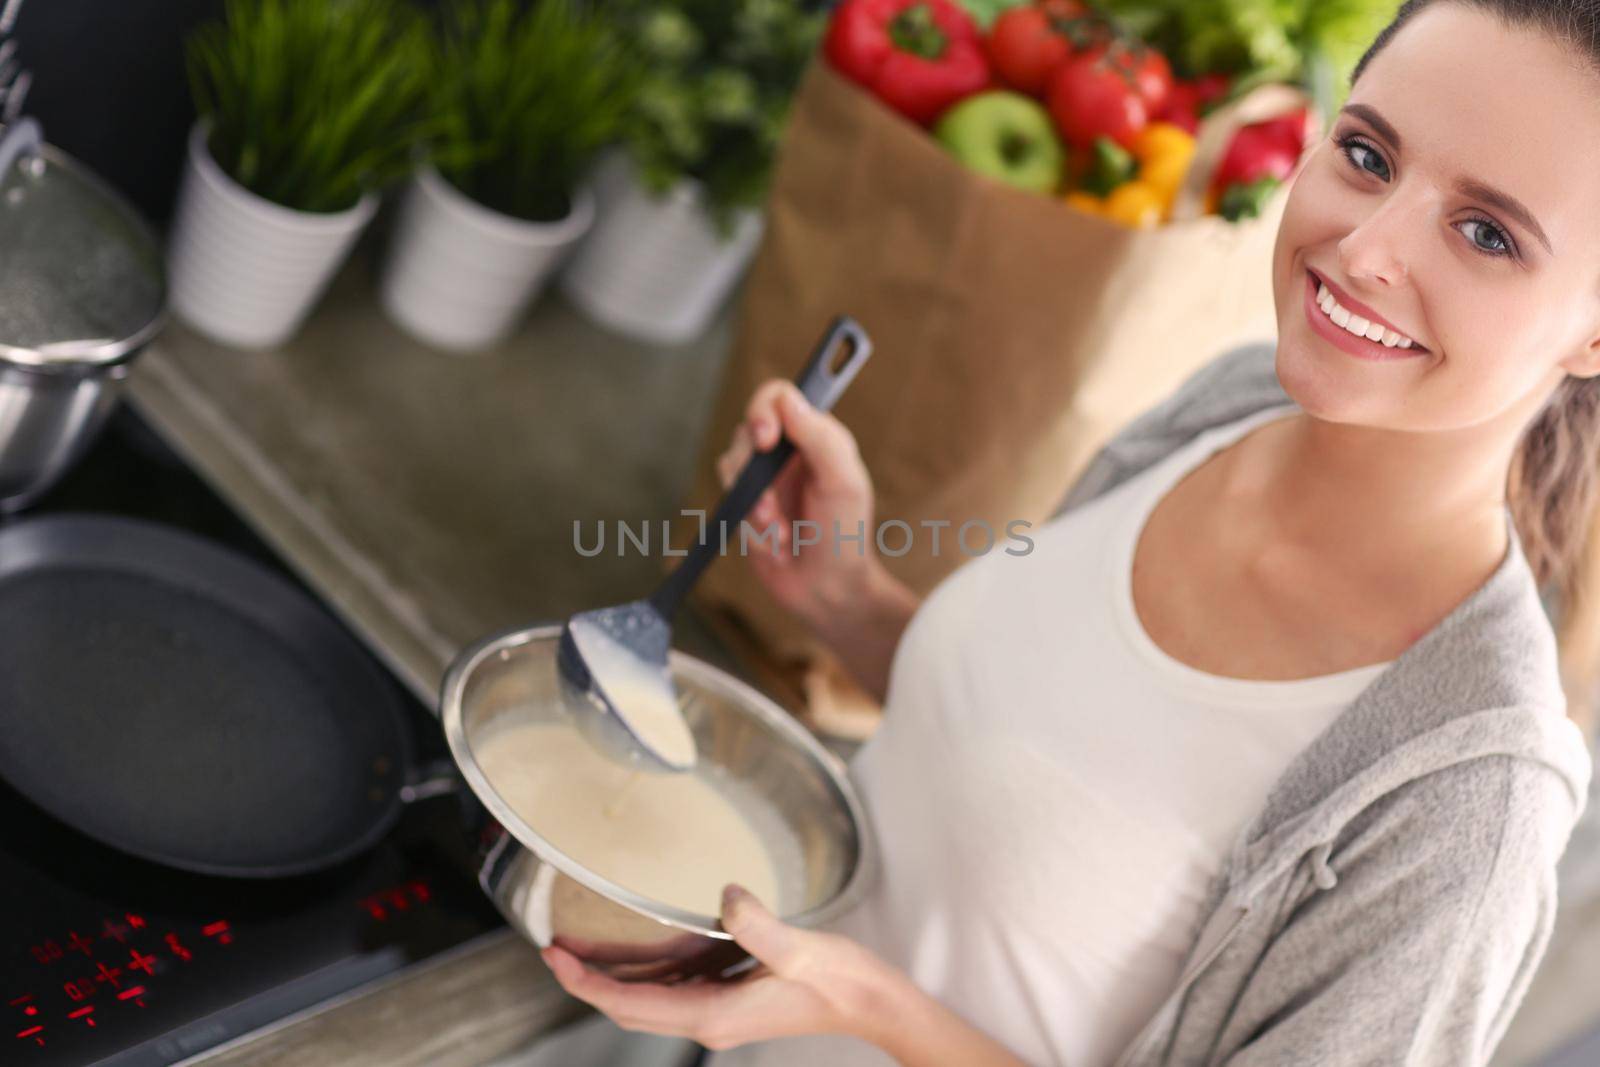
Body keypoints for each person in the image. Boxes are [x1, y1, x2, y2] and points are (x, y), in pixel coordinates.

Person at [542, 1, 1600, 1062]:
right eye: (1367, 154)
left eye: (1486, 233)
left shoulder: (1471, 799)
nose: (1364, 248)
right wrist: (845, 598)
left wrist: (871, 1006)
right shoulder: (1227, 405)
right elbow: (1030, 764)